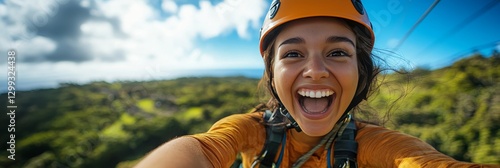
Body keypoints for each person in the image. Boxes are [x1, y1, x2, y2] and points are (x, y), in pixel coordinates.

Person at [135, 0, 500, 167]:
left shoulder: (377, 146)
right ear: (272, 75)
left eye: (338, 53)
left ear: (362, 69)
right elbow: (200, 150)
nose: (315, 71)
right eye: (293, 55)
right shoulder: (251, 131)